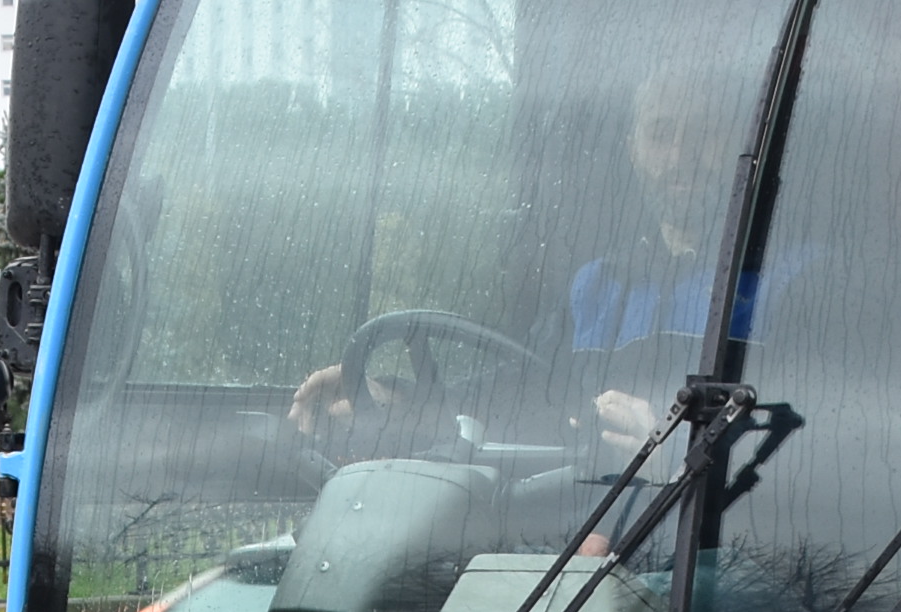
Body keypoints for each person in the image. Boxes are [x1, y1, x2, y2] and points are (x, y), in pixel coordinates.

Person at [285, 64, 789, 467]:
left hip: (713, 553)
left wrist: (685, 452)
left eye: (704, 132)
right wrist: (391, 396)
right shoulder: (598, 287)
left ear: (742, 144)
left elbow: (811, 452)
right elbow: (518, 393)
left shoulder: (791, 285)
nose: (680, 155)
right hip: (576, 558)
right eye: (661, 134)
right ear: (634, 151)